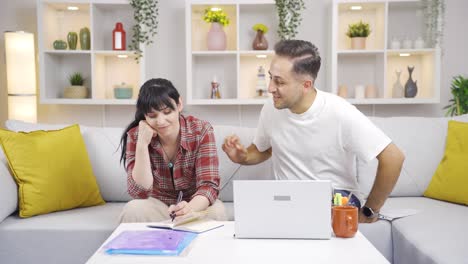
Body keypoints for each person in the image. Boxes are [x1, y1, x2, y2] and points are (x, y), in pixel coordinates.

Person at [222, 40, 405, 223]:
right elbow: (264, 150)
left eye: (279, 82)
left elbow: (393, 157)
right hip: (288, 200)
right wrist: (243, 156)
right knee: (248, 223)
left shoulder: (340, 112)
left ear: (306, 85)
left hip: (335, 198)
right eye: (271, 77)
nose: (270, 88)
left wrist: (369, 211)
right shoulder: (272, 108)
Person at [119, 78, 226, 223]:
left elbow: (208, 186)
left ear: (179, 104)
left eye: (167, 112)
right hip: (158, 206)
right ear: (144, 115)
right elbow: (139, 192)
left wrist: (189, 209)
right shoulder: (135, 135)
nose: (161, 121)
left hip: (194, 204)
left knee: (217, 211)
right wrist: (142, 145)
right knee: (133, 209)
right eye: (152, 116)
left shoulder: (201, 130)